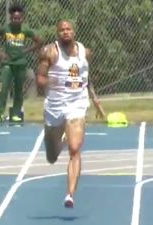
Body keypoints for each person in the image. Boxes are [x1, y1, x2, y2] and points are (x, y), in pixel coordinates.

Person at [35, 20, 105, 208]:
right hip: (55, 106)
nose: (65, 32)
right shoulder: (50, 52)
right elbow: (39, 78)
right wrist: (49, 83)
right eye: (62, 30)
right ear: (57, 33)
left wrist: (95, 100)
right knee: (52, 155)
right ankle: (57, 141)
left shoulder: (85, 52)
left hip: (77, 103)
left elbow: (86, 78)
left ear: (74, 31)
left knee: (75, 148)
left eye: (68, 29)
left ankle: (69, 194)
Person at [0, 3, 42, 123]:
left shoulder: (25, 30)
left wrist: (26, 50)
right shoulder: (5, 29)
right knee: (3, 89)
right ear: (11, 17)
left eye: (18, 18)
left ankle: (16, 114)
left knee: (18, 89)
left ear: (22, 18)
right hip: (7, 63)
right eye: (13, 18)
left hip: (20, 63)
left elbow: (39, 41)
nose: (16, 20)